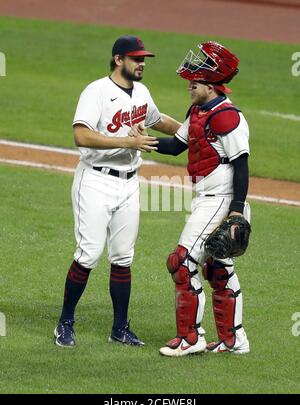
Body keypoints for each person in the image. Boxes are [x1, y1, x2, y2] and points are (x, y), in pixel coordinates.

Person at [54, 35, 181, 347]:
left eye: (144, 59)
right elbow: (81, 136)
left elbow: (157, 120)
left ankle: (120, 328)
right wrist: (129, 141)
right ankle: (65, 322)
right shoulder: (96, 91)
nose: (141, 64)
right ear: (118, 59)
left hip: (129, 183)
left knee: (123, 257)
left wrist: (194, 131)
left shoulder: (141, 92)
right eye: (136, 59)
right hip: (95, 181)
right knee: (89, 253)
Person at [152, 41, 250, 356]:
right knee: (219, 270)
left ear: (211, 84)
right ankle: (234, 340)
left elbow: (242, 165)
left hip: (221, 199)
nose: (189, 87)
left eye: (194, 83)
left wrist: (236, 212)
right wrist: (142, 141)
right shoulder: (197, 111)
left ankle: (190, 339)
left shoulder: (227, 116)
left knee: (181, 262)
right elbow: (177, 146)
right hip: (204, 197)